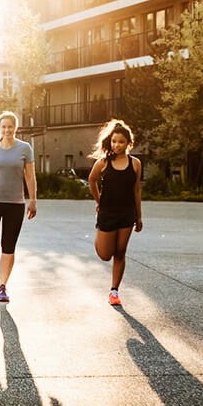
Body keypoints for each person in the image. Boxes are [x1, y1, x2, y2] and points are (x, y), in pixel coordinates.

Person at [0, 110, 37, 304]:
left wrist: (33, 200)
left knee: (8, 247)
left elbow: (30, 176)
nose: (7, 130)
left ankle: (2, 286)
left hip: (15, 204)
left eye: (10, 126)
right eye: (3, 127)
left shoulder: (25, 148)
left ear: (15, 128)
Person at [87, 119, 143, 306]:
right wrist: (98, 201)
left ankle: (114, 291)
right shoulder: (103, 162)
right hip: (107, 213)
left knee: (120, 253)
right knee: (105, 254)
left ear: (129, 143)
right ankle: (99, 235)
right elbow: (92, 180)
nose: (116, 145)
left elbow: (136, 190)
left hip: (127, 214)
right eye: (113, 141)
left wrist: (139, 216)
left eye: (121, 142)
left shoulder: (135, 164)